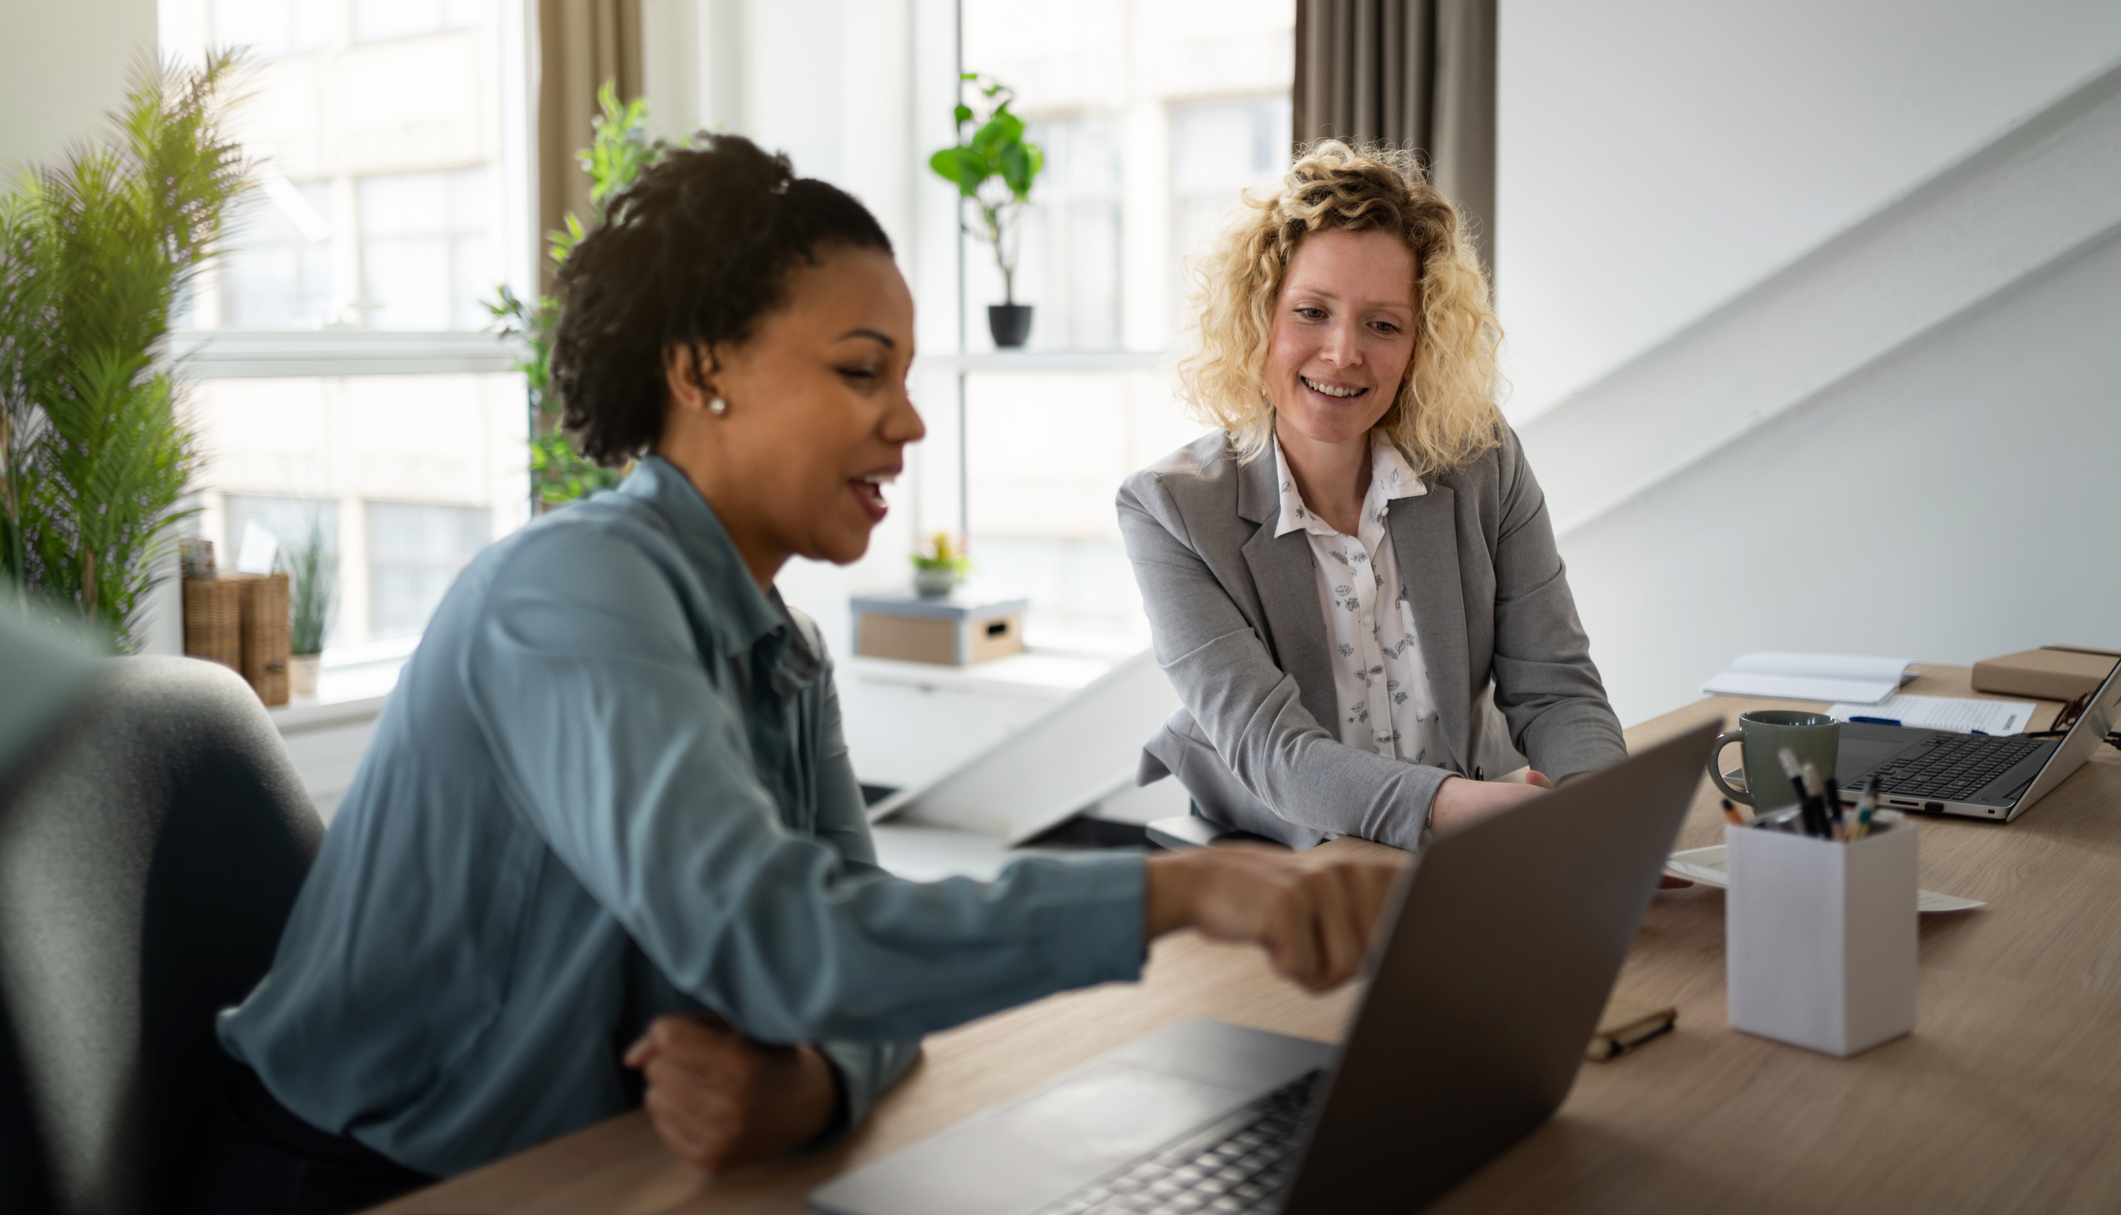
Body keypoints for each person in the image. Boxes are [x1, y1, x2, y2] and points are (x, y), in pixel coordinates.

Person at [183, 136, 1400, 1215]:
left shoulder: (781, 645)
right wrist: (1191, 893)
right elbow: (778, 939)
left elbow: (858, 951)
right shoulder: (568, 593)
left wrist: (811, 1081)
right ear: (703, 367)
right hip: (353, 1183)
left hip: (584, 1170)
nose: (911, 422)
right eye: (863, 371)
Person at [1117, 140, 1629, 854]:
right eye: (1311, 312)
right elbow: (1275, 753)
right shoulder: (1168, 510)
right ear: (1258, 316)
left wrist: (1599, 816)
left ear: (1421, 344)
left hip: (1476, 822)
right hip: (1296, 837)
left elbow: (1555, 687)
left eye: (1382, 324)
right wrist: (1466, 809)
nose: (1342, 353)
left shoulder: (1483, 461)